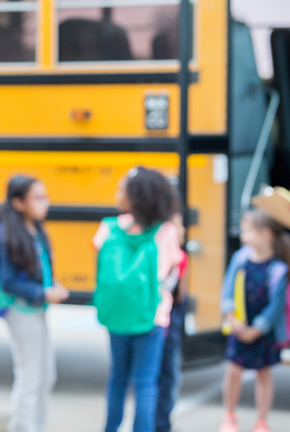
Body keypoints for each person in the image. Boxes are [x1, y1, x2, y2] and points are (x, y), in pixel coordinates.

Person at [92, 166, 175, 432]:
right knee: (145, 381)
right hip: (152, 315)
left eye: (122, 190)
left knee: (118, 376)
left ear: (134, 197)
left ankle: (111, 428)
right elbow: (168, 271)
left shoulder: (108, 228)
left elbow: (98, 264)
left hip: (117, 314)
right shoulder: (165, 231)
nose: (118, 194)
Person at [0, 175, 70, 432]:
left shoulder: (36, 230)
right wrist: (43, 293)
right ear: (18, 202)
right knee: (30, 377)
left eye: (45, 197)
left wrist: (51, 286)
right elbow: (8, 281)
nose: (44, 203)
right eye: (37, 198)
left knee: (46, 376)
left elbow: (42, 268)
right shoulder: (9, 236)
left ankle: (35, 426)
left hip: (37, 310)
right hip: (22, 311)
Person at [219, 209, 290, 432]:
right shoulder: (240, 259)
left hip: (262, 332)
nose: (243, 236)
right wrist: (233, 319)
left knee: (263, 374)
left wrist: (256, 329)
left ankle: (262, 421)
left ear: (266, 234)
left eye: (248, 231)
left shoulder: (278, 269)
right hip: (239, 327)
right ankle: (229, 417)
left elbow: (276, 307)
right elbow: (227, 291)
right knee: (233, 371)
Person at [155, 198, 189, 432]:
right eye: (178, 225)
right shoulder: (179, 258)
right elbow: (180, 296)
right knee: (168, 377)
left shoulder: (155, 253)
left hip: (155, 326)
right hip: (169, 327)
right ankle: (163, 424)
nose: (183, 230)